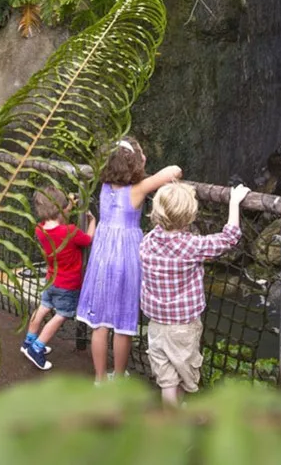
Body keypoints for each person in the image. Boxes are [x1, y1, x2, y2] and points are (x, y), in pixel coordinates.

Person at [76, 137, 182, 383]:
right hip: (126, 259)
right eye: (141, 154)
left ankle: (100, 379)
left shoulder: (104, 187)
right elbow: (174, 171)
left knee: (100, 323)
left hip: (102, 257)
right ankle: (119, 376)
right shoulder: (138, 189)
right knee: (123, 323)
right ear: (134, 164)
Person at [140, 182, 251, 406]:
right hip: (183, 326)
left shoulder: (147, 241)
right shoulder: (191, 247)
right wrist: (234, 203)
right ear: (190, 216)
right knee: (185, 375)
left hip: (156, 325)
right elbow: (228, 238)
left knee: (167, 381)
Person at [21, 186, 96, 371]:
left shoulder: (40, 229)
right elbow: (88, 239)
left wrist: (68, 205)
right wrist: (92, 221)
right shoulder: (70, 231)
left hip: (50, 280)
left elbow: (57, 219)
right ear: (60, 209)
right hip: (67, 285)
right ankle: (37, 348)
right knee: (61, 315)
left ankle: (28, 342)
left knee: (43, 308)